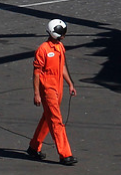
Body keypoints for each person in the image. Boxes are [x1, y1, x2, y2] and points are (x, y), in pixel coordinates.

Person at [27, 19, 78, 166]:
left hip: (58, 87)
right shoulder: (43, 50)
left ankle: (33, 147)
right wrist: (36, 93)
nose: (64, 36)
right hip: (47, 88)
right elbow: (36, 73)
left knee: (47, 117)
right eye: (62, 33)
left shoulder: (60, 47)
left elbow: (62, 67)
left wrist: (70, 83)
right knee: (56, 120)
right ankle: (65, 154)